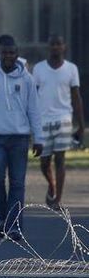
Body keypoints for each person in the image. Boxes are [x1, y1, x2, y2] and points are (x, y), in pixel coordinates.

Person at [0, 35, 43, 241]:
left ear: (17, 54)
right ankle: (0, 218)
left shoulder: (27, 79)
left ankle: (13, 227)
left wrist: (38, 138)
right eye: (4, 52)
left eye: (12, 52)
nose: (8, 56)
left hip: (19, 138)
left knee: (17, 184)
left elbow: (34, 111)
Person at [32, 34, 85, 209]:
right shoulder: (39, 69)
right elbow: (32, 97)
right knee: (44, 160)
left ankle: (58, 199)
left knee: (60, 159)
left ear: (64, 47)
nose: (55, 47)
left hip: (63, 118)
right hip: (43, 119)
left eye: (58, 44)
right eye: (52, 44)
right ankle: (51, 184)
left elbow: (76, 97)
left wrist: (81, 125)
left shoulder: (71, 69)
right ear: (49, 47)